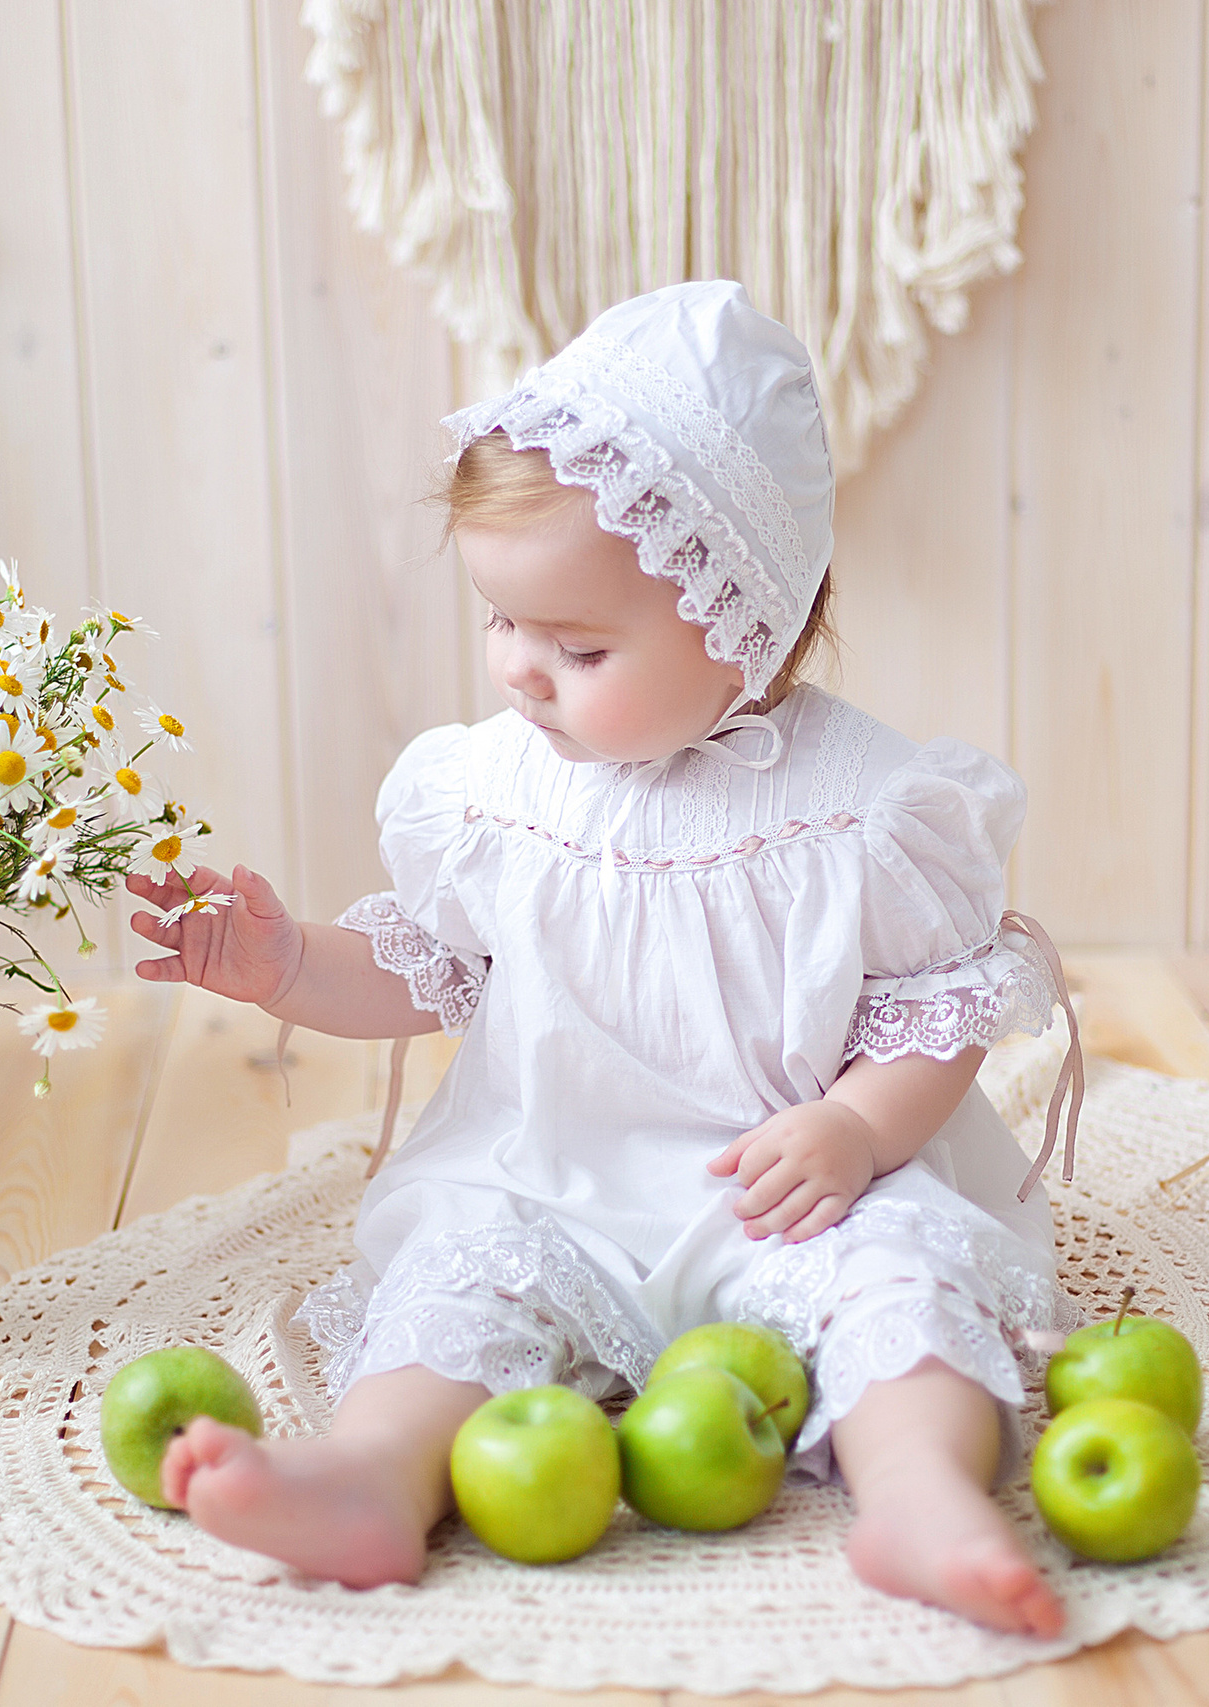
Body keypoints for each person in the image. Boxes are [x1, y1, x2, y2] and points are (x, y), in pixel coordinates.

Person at [126, 280, 1075, 1637]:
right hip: (546, 1177)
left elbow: (939, 1009)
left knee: (903, 1277)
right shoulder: (495, 791)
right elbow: (436, 973)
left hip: (783, 1183)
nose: (520, 670)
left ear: (748, 633)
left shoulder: (865, 811)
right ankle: (370, 1479)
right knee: (456, 1276)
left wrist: (861, 1132)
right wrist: (288, 968)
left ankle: (921, 1491)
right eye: (502, 622)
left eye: (576, 644)